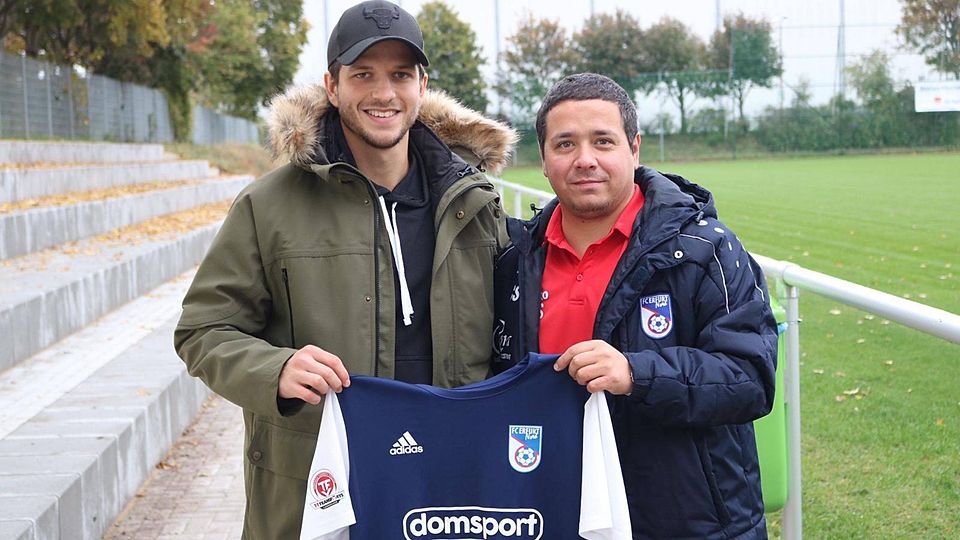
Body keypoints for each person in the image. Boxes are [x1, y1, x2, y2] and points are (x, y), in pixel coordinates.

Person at [174, 1, 516, 536]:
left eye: (400, 75)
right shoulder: (268, 205)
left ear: (422, 86)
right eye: (363, 75)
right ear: (332, 87)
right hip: (319, 486)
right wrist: (276, 370)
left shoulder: (474, 202)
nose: (384, 93)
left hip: (450, 486)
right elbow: (203, 330)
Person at [493, 73, 778, 539]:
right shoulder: (515, 262)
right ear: (543, 160)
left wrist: (636, 373)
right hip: (554, 510)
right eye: (565, 144)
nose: (585, 159)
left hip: (686, 523)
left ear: (635, 148)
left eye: (602, 141)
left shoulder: (705, 250)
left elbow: (750, 379)